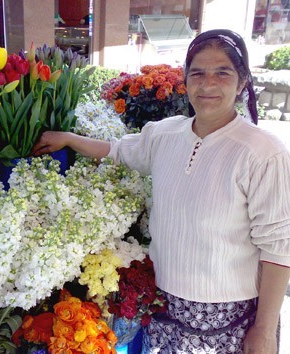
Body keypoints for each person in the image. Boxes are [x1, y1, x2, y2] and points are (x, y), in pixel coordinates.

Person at [32, 29, 290, 354]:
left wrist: (264, 331)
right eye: (198, 73)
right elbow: (117, 149)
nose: (208, 84)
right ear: (186, 79)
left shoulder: (263, 153)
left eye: (222, 73)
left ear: (241, 83)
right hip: (165, 309)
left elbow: (278, 250)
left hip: (229, 320)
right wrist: (69, 138)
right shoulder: (165, 135)